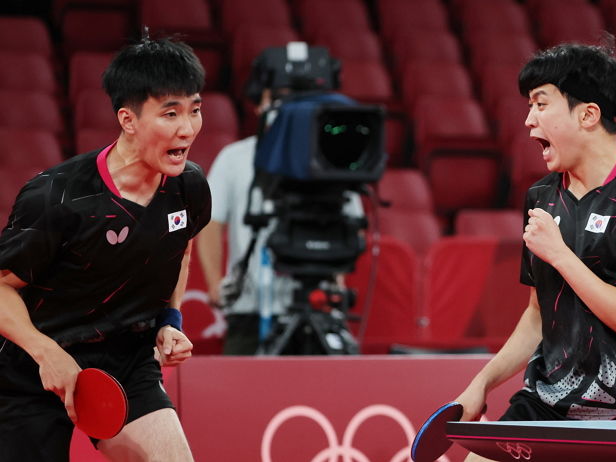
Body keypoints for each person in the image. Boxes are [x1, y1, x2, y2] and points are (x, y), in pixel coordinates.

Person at [455, 42, 616, 461]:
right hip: (548, 404)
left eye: (540, 104)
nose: (528, 121)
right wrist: (483, 383)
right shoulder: (541, 198)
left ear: (587, 114)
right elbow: (538, 315)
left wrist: (561, 255)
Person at [0, 35, 210, 462]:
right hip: (31, 367)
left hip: (125, 357)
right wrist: (48, 353)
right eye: (170, 113)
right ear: (128, 120)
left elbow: (180, 251)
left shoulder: (189, 187)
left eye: (195, 110)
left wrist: (169, 320)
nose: (187, 128)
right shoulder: (57, 197)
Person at [196, 42, 365, 355]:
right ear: (259, 103)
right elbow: (210, 221)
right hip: (251, 307)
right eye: (280, 96)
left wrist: (337, 279)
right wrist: (214, 283)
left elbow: (352, 223)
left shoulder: (334, 160)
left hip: (321, 307)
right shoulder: (235, 157)